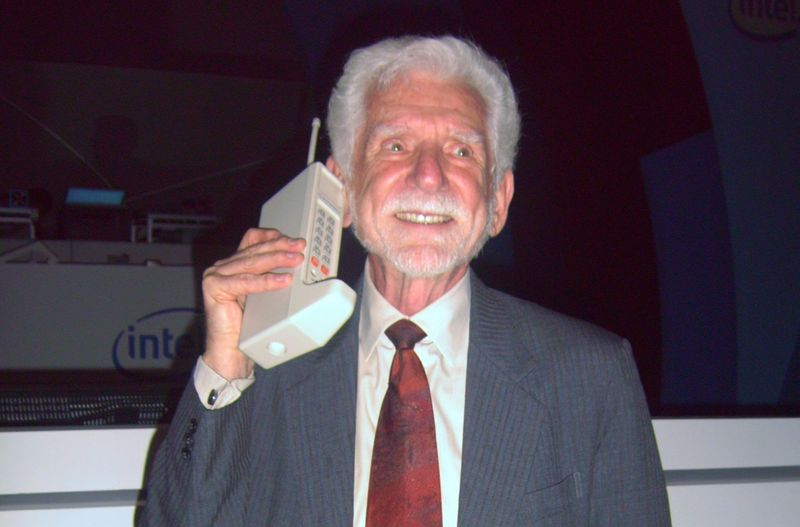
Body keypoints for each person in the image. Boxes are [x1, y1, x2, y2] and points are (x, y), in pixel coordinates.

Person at [141, 35, 670, 526]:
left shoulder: (590, 374)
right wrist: (227, 364)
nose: (429, 175)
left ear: (498, 201)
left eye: (461, 151)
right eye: (395, 146)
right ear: (342, 189)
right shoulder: (269, 370)